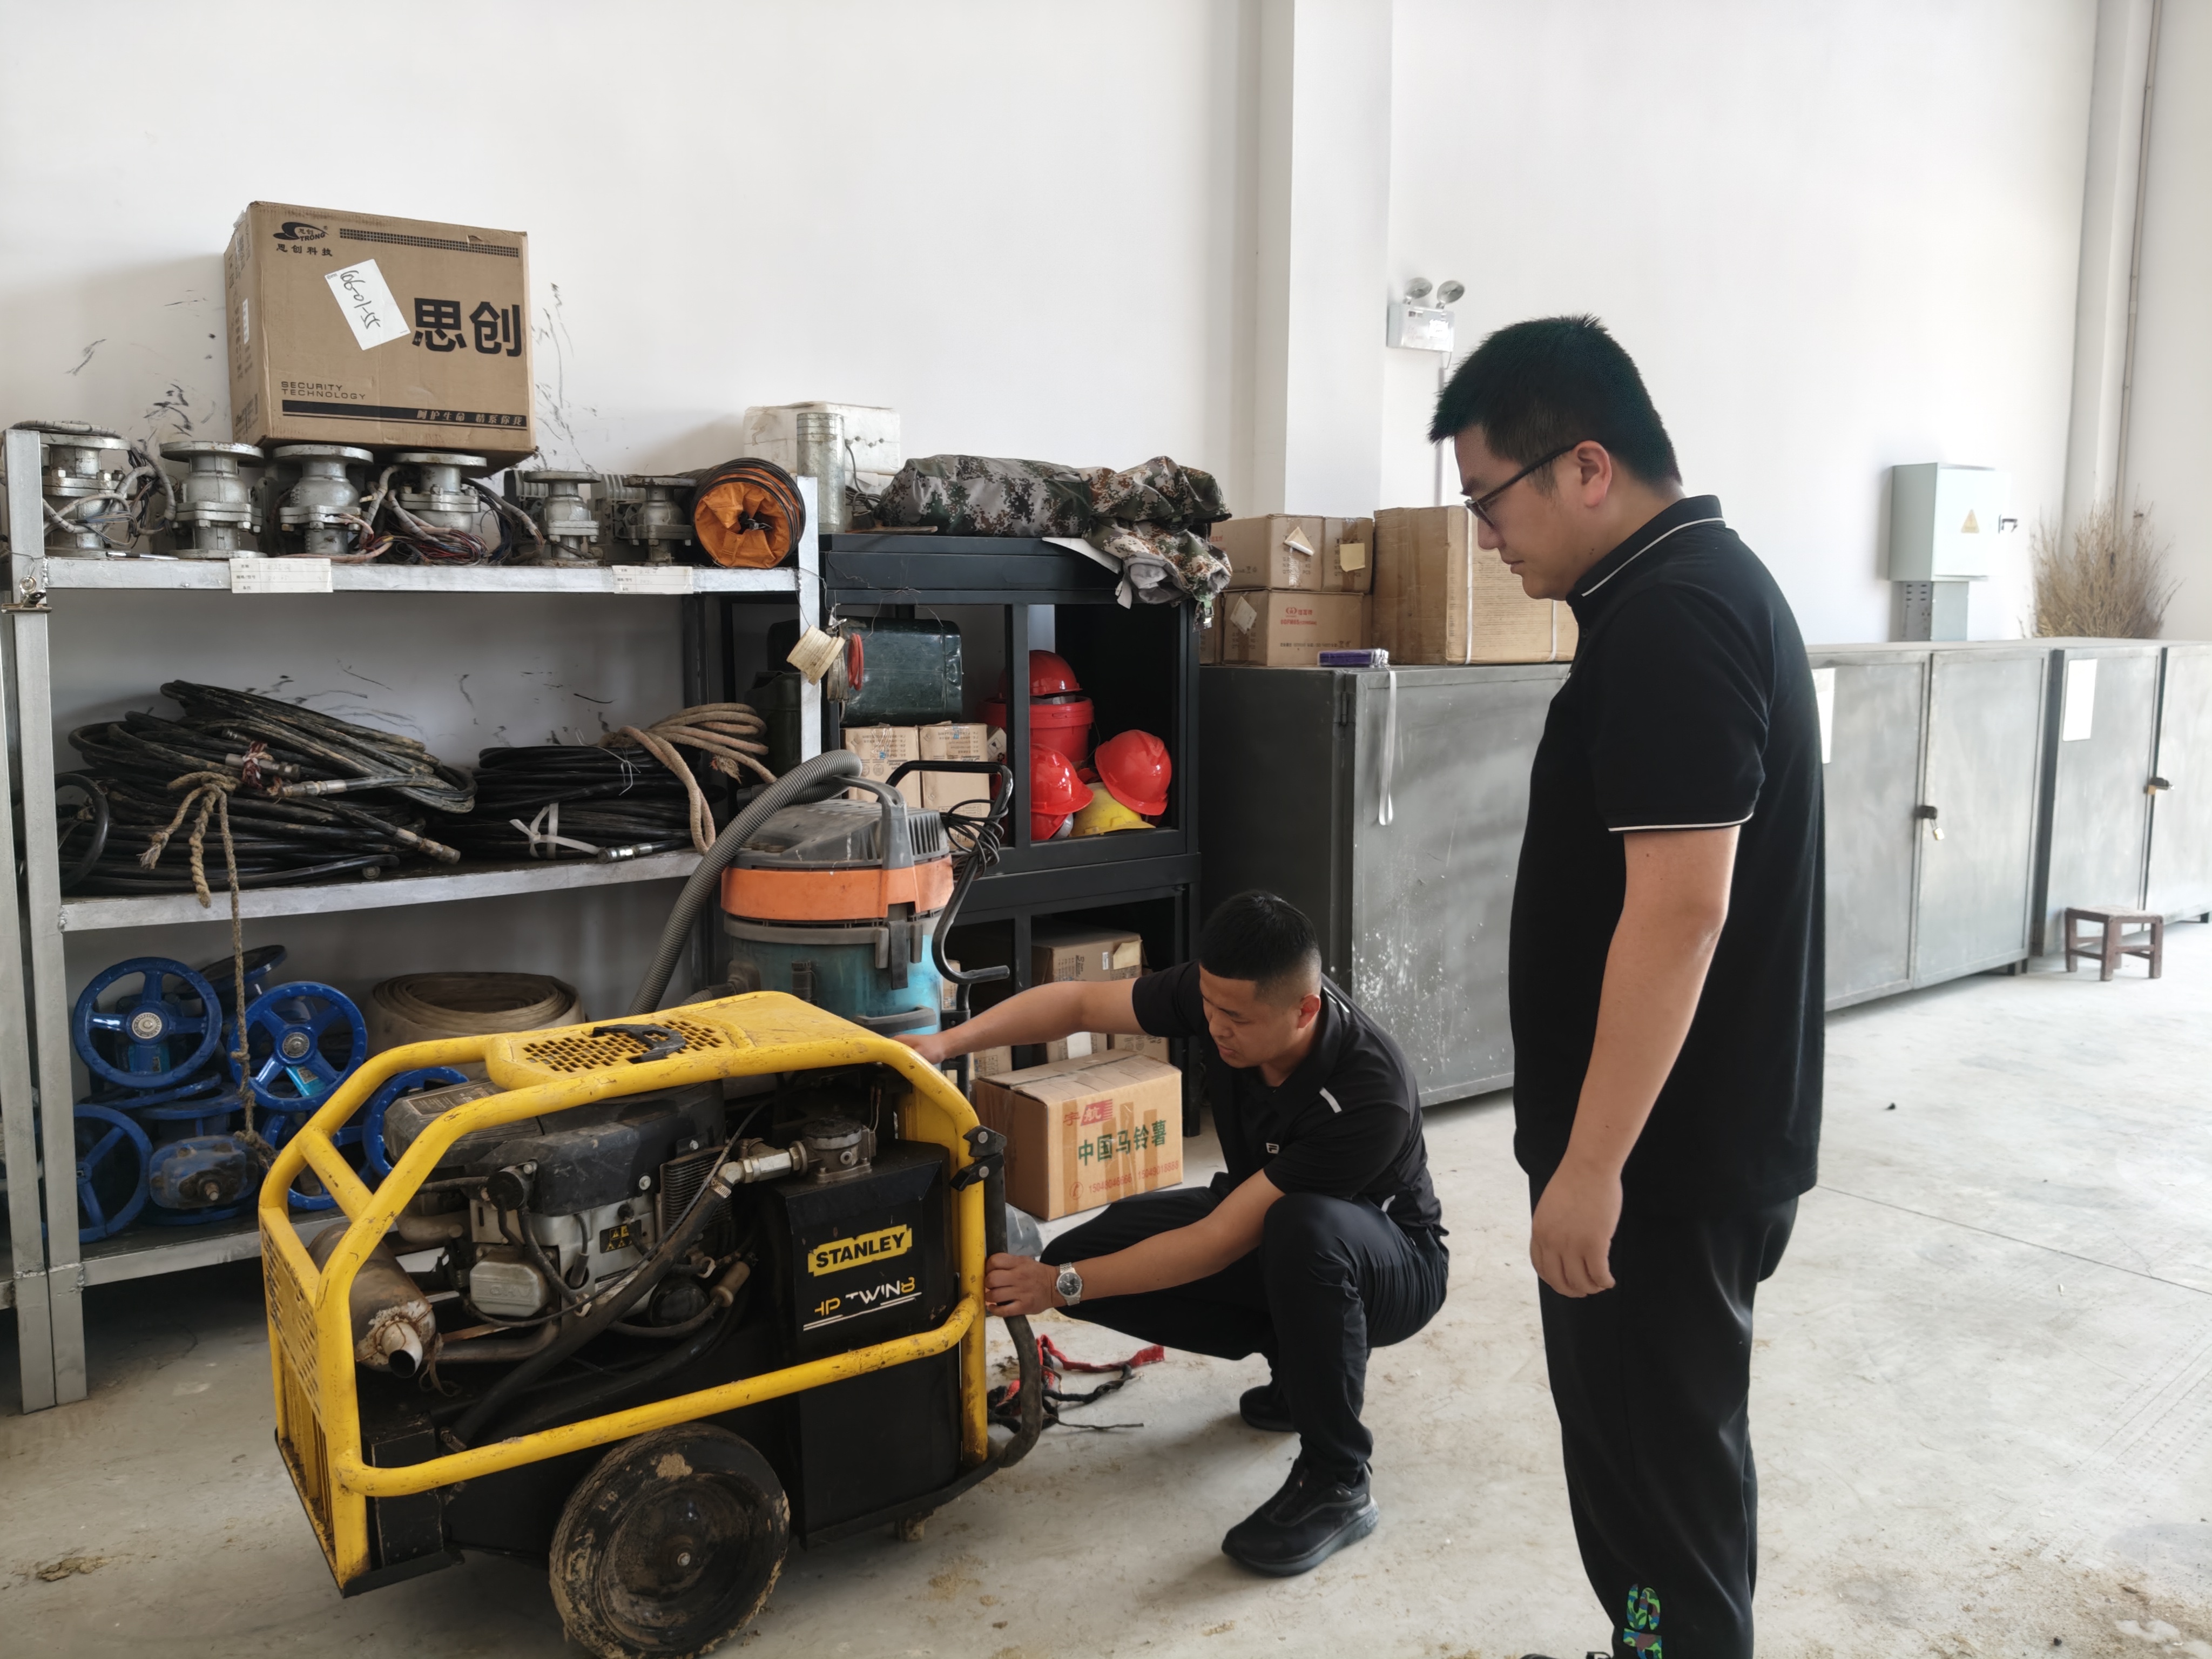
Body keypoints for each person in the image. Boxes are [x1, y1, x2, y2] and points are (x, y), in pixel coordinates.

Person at [1428, 316, 1823, 1659]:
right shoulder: (1683, 589)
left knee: (1656, 1489)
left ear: (1586, 467)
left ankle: (1664, 1646)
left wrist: (1591, 1166)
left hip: (1658, 1167)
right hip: (1675, 1148)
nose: (1487, 537)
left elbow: (1681, 907)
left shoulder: (1672, 616)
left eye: (1488, 499)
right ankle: (1643, 1644)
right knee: (1650, 1476)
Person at [897, 891, 1447, 1576]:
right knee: (1087, 1257)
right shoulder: (1224, 994)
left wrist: (1055, 1287)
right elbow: (1078, 1004)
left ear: (1305, 1010)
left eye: (1235, 1019)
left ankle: (1339, 1479)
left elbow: (1219, 1240)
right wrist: (942, 1045)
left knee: (1298, 1231)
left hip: (1393, 1263)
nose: (1215, 1027)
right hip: (1272, 1224)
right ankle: (1299, 1363)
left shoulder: (1367, 1093)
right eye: (1209, 1007)